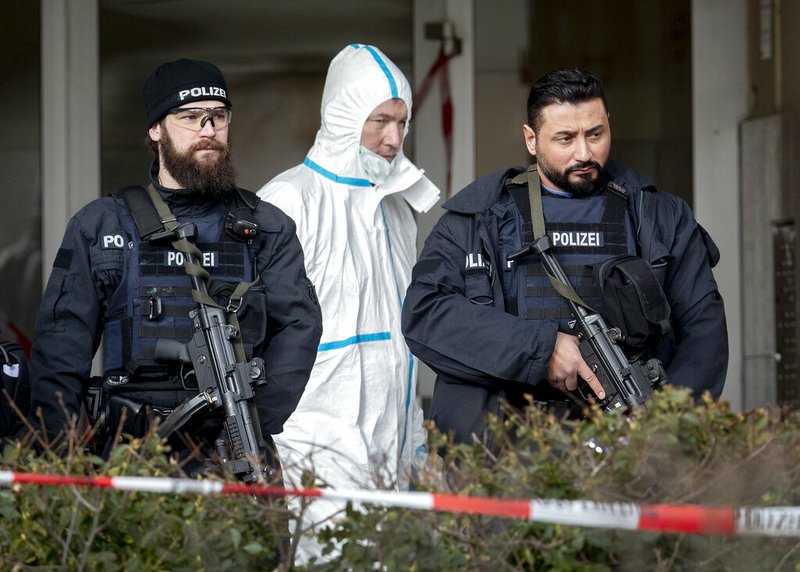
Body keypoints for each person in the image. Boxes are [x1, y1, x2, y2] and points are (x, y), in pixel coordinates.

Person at [402, 67, 728, 444]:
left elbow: (704, 331)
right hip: (502, 453)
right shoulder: (480, 218)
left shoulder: (658, 216)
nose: (584, 152)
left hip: (628, 447)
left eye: (596, 134)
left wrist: (666, 433)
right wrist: (542, 348)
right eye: (565, 138)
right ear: (531, 139)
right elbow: (425, 314)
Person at [29, 59, 322, 474]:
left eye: (218, 117)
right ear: (156, 129)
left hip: (234, 450)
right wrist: (64, 461)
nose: (208, 130)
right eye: (190, 118)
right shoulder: (103, 225)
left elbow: (300, 327)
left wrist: (252, 425)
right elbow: (60, 350)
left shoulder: (266, 227)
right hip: (129, 454)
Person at [257, 44, 440, 563]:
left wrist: (415, 444)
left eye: (402, 122)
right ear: (342, 115)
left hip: (394, 442)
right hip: (314, 444)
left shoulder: (398, 207)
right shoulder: (289, 201)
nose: (393, 139)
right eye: (379, 120)